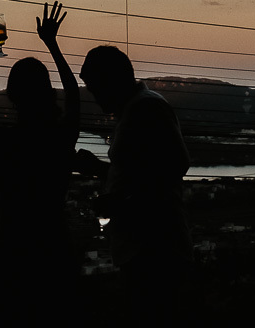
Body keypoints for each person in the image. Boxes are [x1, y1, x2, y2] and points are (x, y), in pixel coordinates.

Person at [0, 1, 80, 309]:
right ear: (48, 92)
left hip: (11, 246)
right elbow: (75, 98)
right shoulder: (60, 137)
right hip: (55, 244)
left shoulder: (5, 140)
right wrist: (52, 44)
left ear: (12, 95)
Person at [75, 44, 191, 322]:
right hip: (146, 246)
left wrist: (120, 202)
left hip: (153, 248)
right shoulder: (138, 108)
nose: (94, 96)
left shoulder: (145, 109)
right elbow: (141, 173)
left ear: (110, 81)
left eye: (94, 87)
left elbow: (175, 166)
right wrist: (100, 170)